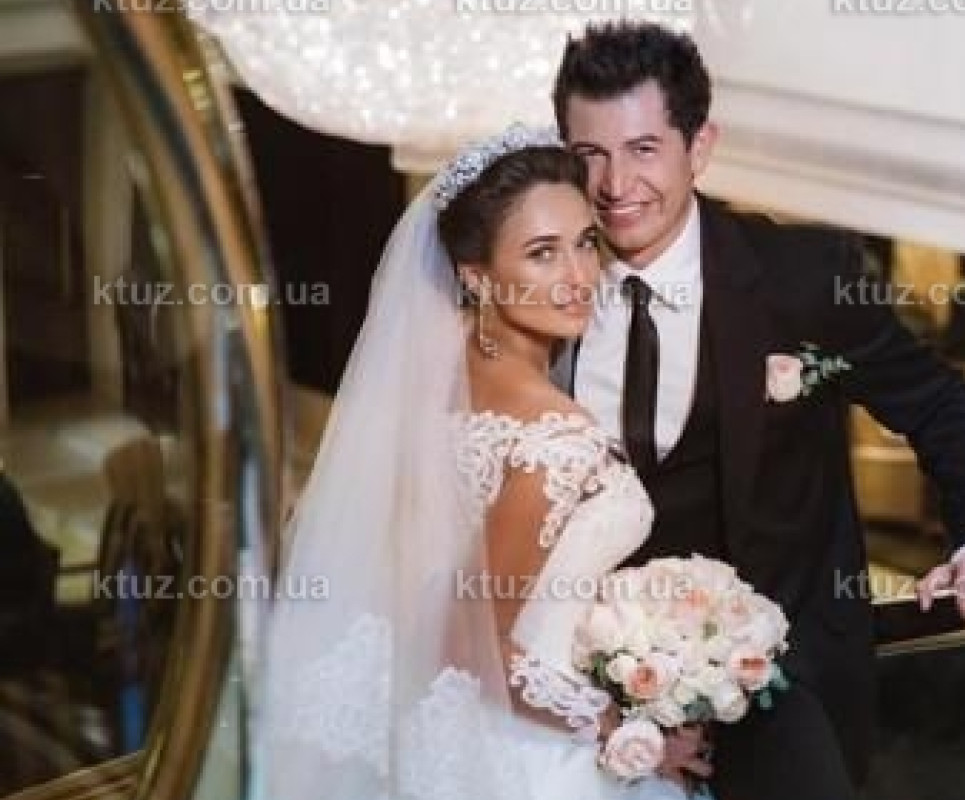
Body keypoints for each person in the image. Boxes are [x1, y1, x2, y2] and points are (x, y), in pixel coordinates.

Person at [551, 21, 965, 800]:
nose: (615, 184)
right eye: (590, 154)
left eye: (643, 149)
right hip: (590, 673)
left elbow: (937, 402)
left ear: (699, 146)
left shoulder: (803, 276)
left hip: (780, 669)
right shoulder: (540, 288)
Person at [257, 125, 706, 800]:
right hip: (525, 752)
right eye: (542, 253)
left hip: (430, 724)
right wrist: (621, 727)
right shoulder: (557, 439)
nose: (578, 276)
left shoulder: (430, 382)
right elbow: (470, 644)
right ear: (476, 275)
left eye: (586, 242)